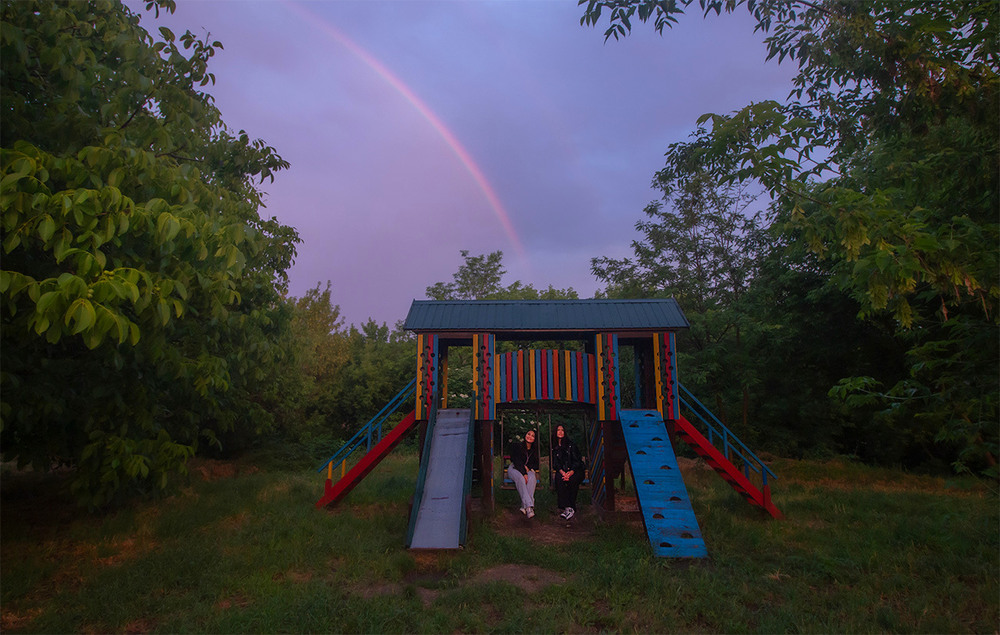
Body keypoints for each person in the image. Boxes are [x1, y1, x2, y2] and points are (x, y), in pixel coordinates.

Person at [551, 424, 585, 520]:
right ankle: (567, 507)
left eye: (562, 430)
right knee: (559, 479)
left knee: (572, 480)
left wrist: (571, 472)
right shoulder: (554, 447)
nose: (560, 432)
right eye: (558, 430)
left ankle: (572, 506)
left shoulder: (571, 445)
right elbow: (556, 464)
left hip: (576, 470)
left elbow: (577, 461)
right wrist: (563, 473)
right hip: (564, 471)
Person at [507, 429, 539, 518]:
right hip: (515, 469)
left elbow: (536, 464)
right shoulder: (517, 446)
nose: (530, 436)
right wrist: (524, 473)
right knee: (521, 478)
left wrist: (528, 468)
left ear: (534, 439)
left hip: (527, 471)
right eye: (529, 434)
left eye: (533, 436)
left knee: (532, 478)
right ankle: (529, 506)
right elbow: (516, 461)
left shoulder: (534, 450)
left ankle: (524, 506)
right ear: (525, 435)